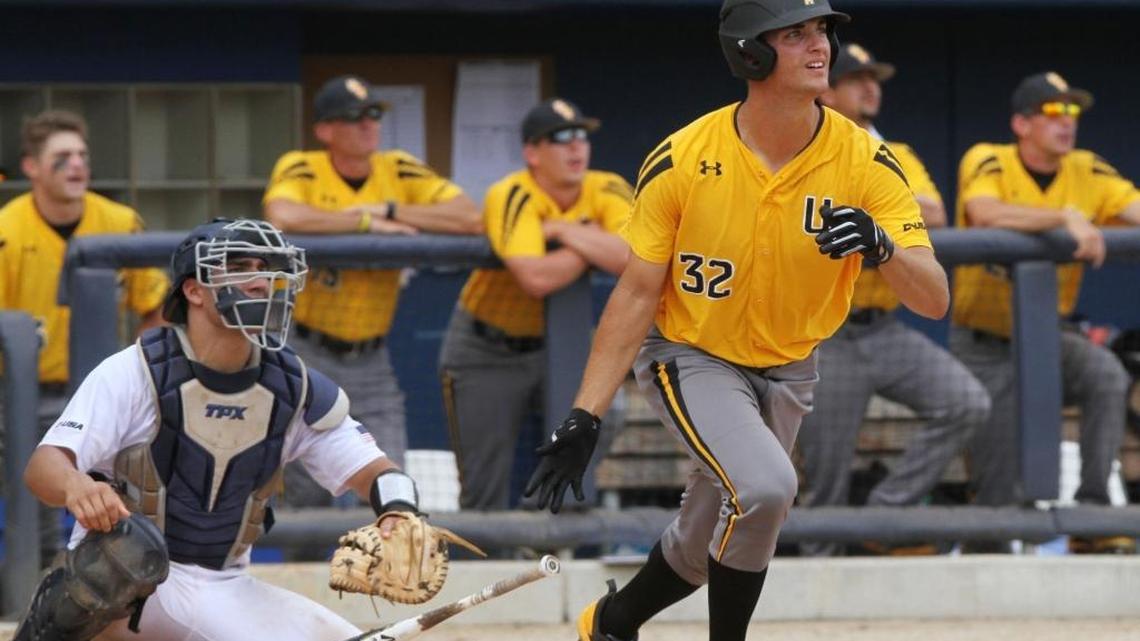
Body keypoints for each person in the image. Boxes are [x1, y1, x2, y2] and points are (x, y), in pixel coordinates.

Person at [524, 1, 949, 639]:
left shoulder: (864, 159)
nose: (820, 46)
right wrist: (586, 415)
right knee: (766, 490)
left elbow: (935, 297)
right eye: (796, 33)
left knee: (709, 537)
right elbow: (637, 293)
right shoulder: (682, 157)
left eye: (823, 31)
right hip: (692, 352)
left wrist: (882, 246)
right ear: (751, 52)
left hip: (791, 366)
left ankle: (611, 622)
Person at [14, 218, 428, 641]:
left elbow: (376, 471)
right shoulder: (135, 371)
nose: (260, 281)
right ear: (193, 290)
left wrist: (401, 513)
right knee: (112, 574)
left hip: (226, 582)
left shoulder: (292, 386)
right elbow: (42, 468)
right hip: (129, 579)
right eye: (241, 267)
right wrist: (75, 486)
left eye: (265, 268)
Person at [795, 43, 991, 556]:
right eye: (856, 78)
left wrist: (867, 202)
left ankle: (884, 515)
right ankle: (821, 578)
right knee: (825, 471)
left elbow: (935, 211)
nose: (871, 86)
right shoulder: (800, 145)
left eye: (872, 77)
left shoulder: (894, 152)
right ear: (826, 89)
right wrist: (881, 203)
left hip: (884, 328)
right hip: (824, 332)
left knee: (964, 402)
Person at [263, 74, 481, 507]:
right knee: (304, 492)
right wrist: (364, 223)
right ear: (326, 129)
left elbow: (469, 217)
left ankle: (383, 574)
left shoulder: (396, 168)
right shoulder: (303, 166)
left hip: (373, 357)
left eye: (374, 114)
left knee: (390, 483)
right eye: (354, 117)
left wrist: (388, 208)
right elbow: (281, 213)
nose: (369, 125)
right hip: (309, 350)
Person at [951, 71, 1140, 554]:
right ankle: (980, 552)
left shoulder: (1087, 169)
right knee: (997, 487)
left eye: (1072, 112)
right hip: (984, 341)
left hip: (1047, 336)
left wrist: (1092, 215)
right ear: (1021, 122)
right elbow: (985, 211)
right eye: (1053, 112)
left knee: (1107, 377)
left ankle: (1093, 516)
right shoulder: (988, 156)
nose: (1067, 122)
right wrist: (1063, 217)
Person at [438, 98, 631, 512]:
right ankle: (487, 568)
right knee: (483, 484)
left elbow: (637, 260)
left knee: (602, 419)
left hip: (559, 346)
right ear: (532, 153)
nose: (575, 146)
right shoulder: (510, 193)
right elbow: (535, 278)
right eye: (560, 138)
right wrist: (593, 244)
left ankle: (542, 526)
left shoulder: (608, 186)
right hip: (487, 346)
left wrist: (564, 230)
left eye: (581, 136)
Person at [0, 109, 168, 564]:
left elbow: (154, 304)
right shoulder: (7, 229)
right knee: (33, 513)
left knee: (122, 508)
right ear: (31, 166)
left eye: (82, 155)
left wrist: (145, 375)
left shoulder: (118, 220)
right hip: (26, 395)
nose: (77, 164)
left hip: (104, 391)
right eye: (62, 156)